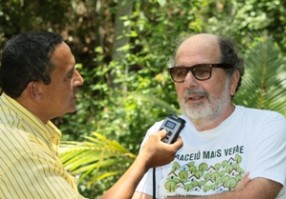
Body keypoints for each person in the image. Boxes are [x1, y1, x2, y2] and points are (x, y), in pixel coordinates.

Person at [0, 31, 183, 199]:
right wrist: (145, 160)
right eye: (69, 75)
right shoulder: (22, 153)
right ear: (36, 91)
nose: (80, 80)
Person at [133, 33, 286, 199]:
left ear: (232, 80)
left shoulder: (266, 126)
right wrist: (235, 195)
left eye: (202, 71)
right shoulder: (161, 134)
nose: (188, 82)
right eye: (180, 72)